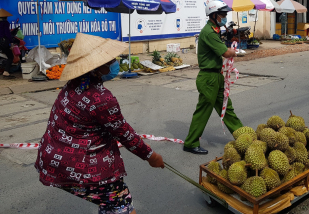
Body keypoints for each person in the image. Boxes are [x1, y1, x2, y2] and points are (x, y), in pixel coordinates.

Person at [34, 33, 164, 214]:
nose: (114, 63)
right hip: (82, 166)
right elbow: (124, 133)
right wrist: (151, 156)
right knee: (122, 207)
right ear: (97, 67)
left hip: (54, 159)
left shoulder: (73, 85)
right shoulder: (101, 98)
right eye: (110, 61)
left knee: (112, 206)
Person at [183, 1, 243, 155]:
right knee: (203, 111)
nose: (225, 17)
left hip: (216, 76)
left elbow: (223, 49)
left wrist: (232, 42)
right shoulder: (209, 32)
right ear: (214, 15)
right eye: (222, 14)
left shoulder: (214, 30)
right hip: (208, 78)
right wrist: (234, 50)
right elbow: (226, 53)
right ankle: (190, 143)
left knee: (226, 107)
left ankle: (244, 137)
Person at [0, 9, 15, 79]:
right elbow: (7, 34)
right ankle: (6, 71)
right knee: (10, 56)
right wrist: (11, 43)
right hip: (3, 42)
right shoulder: (5, 23)